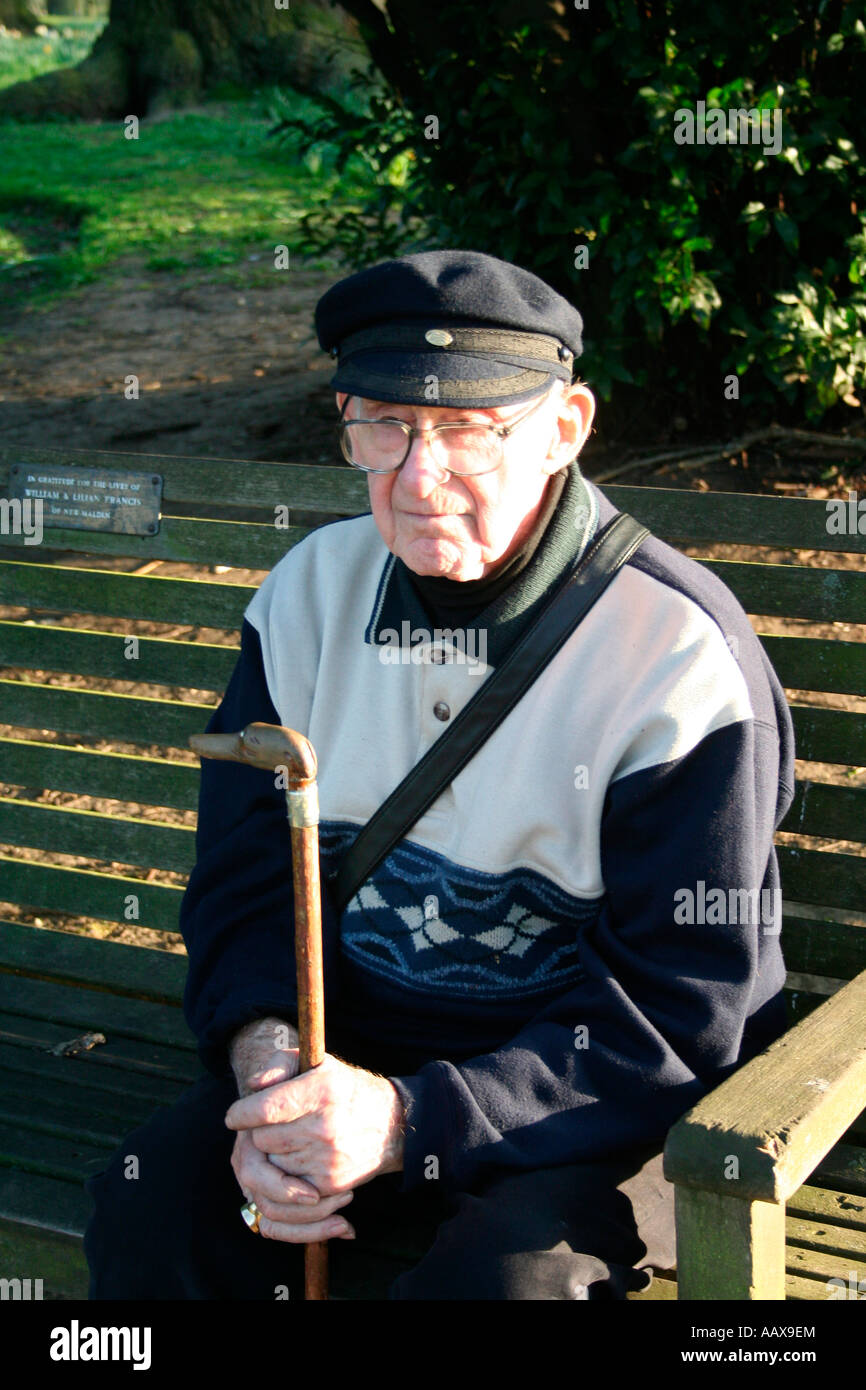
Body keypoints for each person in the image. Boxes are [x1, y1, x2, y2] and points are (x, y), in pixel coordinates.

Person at [84, 249, 795, 1300]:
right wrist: (273, 1077)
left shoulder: (675, 655)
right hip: (346, 1050)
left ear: (562, 429)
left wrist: (407, 1123)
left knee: (503, 1285)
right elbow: (244, 889)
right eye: (382, 425)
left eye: (469, 430)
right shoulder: (308, 596)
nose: (417, 478)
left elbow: (682, 1003)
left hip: (590, 1097)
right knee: (152, 1214)